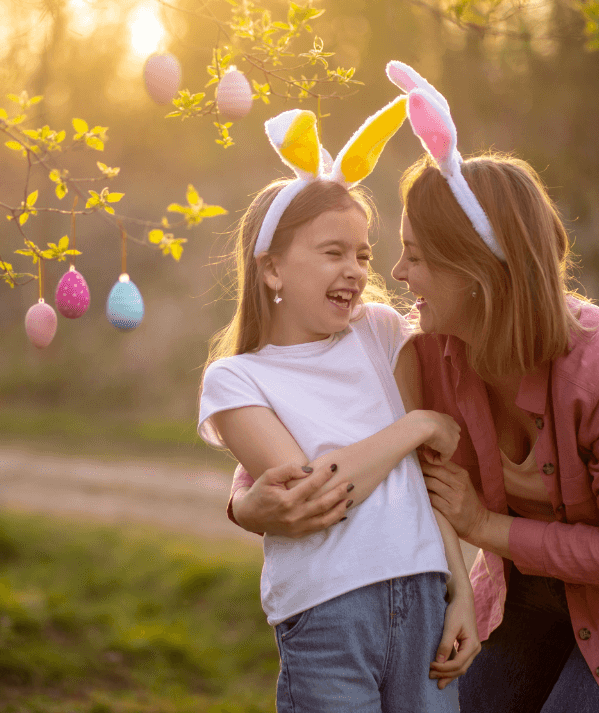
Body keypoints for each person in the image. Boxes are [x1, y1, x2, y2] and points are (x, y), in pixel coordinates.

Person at [226, 61, 599, 713]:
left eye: (414, 256)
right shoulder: (426, 347)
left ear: (474, 272)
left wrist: (481, 523)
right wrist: (248, 504)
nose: (395, 271)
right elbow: (308, 415)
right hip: (530, 583)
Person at [198, 102, 480, 713]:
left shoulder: (379, 331)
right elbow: (315, 499)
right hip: (329, 618)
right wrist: (417, 425)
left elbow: (426, 478)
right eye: (333, 253)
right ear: (272, 267)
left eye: (362, 255)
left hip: (426, 602)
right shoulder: (236, 380)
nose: (354, 271)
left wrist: (461, 589)